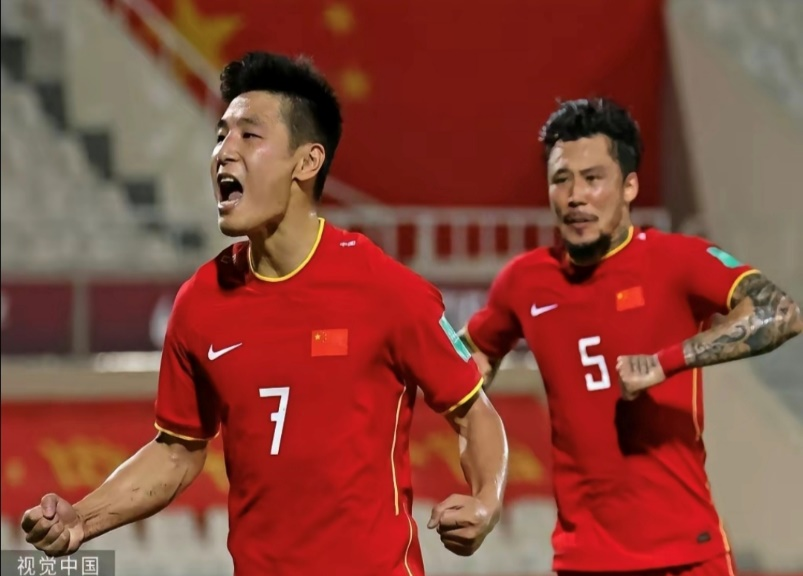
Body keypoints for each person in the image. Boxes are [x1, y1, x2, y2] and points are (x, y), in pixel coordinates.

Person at [20, 51, 509, 576]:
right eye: (220, 136)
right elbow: (177, 452)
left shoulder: (387, 290)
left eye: (249, 135)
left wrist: (486, 501)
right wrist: (83, 519)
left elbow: (474, 412)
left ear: (307, 162)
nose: (224, 152)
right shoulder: (200, 303)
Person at [461, 98, 802, 575]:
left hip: (688, 556)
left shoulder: (676, 260)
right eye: (561, 179)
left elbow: (781, 312)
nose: (575, 196)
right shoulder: (523, 282)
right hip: (584, 561)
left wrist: (667, 361)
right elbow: (471, 355)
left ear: (629, 186)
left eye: (593, 178)